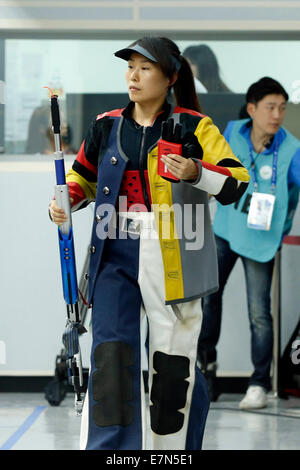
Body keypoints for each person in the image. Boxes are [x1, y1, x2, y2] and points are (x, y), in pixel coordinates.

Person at [49, 36, 249, 450]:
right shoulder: (106, 124)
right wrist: (65, 201)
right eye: (130, 67)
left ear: (170, 77)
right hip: (113, 253)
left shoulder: (197, 126)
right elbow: (82, 178)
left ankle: (169, 454)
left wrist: (196, 171)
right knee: (111, 358)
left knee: (172, 365)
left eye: (145, 67)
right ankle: (112, 452)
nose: (133, 76)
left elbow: (236, 183)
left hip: (176, 256)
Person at [198, 77, 300, 410]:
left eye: (282, 108)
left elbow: (295, 193)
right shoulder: (231, 133)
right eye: (270, 107)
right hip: (226, 229)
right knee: (208, 300)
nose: (277, 114)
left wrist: (282, 226)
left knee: (260, 313)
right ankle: (205, 367)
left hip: (262, 238)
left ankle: (258, 384)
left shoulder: (291, 150)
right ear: (252, 108)